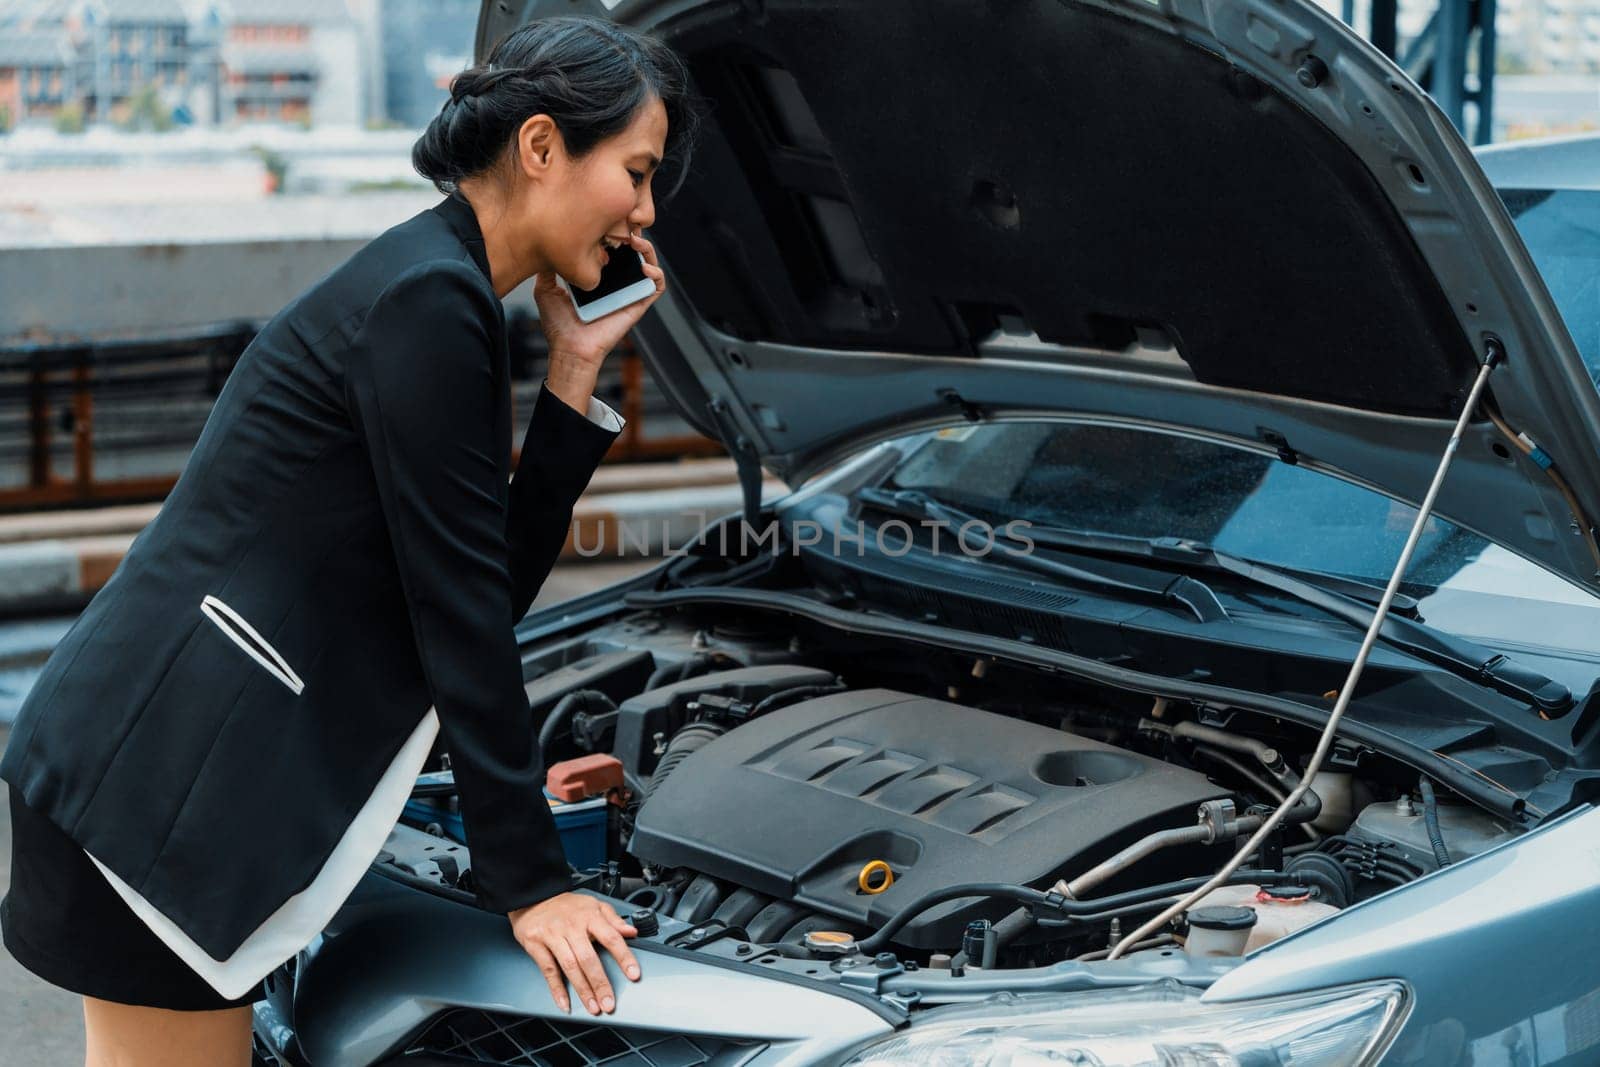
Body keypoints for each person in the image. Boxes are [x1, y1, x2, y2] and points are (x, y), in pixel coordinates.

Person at [0, 15, 700, 1066]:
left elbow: (475, 582)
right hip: (161, 790)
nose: (645, 212)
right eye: (636, 172)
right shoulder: (429, 301)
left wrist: (571, 373)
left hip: (157, 772)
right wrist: (532, 881)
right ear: (543, 146)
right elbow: (461, 616)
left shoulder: (437, 284)